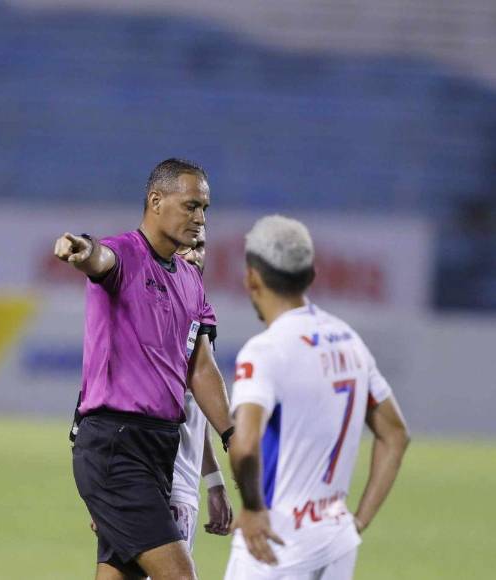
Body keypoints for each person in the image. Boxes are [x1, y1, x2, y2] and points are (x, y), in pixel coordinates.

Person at [54, 158, 234, 580]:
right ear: (156, 200)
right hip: (116, 444)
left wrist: (232, 434)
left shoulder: (190, 282)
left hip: (159, 449)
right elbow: (100, 259)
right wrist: (83, 251)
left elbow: (201, 370)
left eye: (205, 209)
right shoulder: (126, 253)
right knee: (179, 576)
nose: (200, 218)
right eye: (191, 206)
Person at [224, 215, 410, 580]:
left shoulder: (265, 352)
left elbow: (244, 446)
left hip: (275, 542)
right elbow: (396, 435)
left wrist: (251, 508)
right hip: (336, 540)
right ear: (311, 276)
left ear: (251, 277)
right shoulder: (348, 339)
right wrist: (358, 522)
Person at [171, 232, 233, 551]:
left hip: (182, 487)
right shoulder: (155, 312)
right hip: (160, 488)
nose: (195, 256)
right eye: (185, 247)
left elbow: (195, 407)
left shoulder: (197, 310)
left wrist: (213, 480)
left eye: (201, 247)